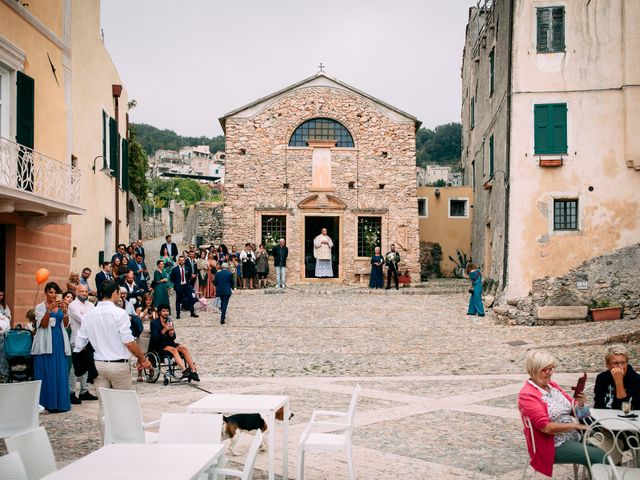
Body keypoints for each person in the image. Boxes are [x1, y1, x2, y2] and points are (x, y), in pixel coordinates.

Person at [73, 280, 151, 439]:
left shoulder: (89, 315)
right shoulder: (119, 313)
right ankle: (127, 440)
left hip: (99, 365)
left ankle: (106, 442)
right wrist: (142, 359)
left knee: (104, 407)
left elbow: (79, 344)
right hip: (118, 366)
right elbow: (129, 343)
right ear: (115, 293)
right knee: (125, 405)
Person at [518, 350, 605, 477]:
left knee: (609, 451)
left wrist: (580, 404)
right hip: (551, 444)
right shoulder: (528, 395)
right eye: (545, 369)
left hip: (572, 436)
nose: (549, 372)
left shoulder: (551, 385)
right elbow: (546, 427)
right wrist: (574, 426)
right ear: (534, 370)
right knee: (599, 456)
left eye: (551, 368)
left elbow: (575, 408)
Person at [32, 282, 71, 413]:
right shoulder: (40, 307)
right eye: (50, 292)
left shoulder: (61, 306)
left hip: (59, 339)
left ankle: (60, 403)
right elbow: (42, 324)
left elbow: (65, 325)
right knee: (47, 370)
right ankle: (46, 403)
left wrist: (65, 312)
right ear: (46, 293)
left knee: (59, 369)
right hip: (45, 341)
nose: (53, 295)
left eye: (55, 292)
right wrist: (49, 310)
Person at [150, 305, 200, 381]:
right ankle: (184, 370)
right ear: (160, 312)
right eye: (163, 311)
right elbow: (155, 338)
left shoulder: (169, 321)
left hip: (169, 342)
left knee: (183, 348)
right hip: (159, 345)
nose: (166, 313)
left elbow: (173, 337)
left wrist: (172, 334)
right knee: (174, 350)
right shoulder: (154, 323)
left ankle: (193, 371)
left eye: (167, 311)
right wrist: (164, 329)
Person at [67, 284, 97, 405]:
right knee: (75, 368)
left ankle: (84, 391)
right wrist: (90, 318)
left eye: (86, 291)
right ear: (76, 292)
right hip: (77, 340)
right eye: (82, 291)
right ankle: (71, 392)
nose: (84, 293)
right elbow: (84, 319)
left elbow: (95, 319)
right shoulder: (72, 305)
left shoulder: (91, 305)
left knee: (86, 366)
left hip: (89, 340)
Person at [594, 344, 640, 410]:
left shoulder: (636, 379)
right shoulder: (602, 378)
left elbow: (625, 410)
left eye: (623, 362)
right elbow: (598, 406)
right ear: (608, 365)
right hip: (606, 417)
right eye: (615, 363)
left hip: (629, 418)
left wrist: (619, 381)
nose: (620, 366)